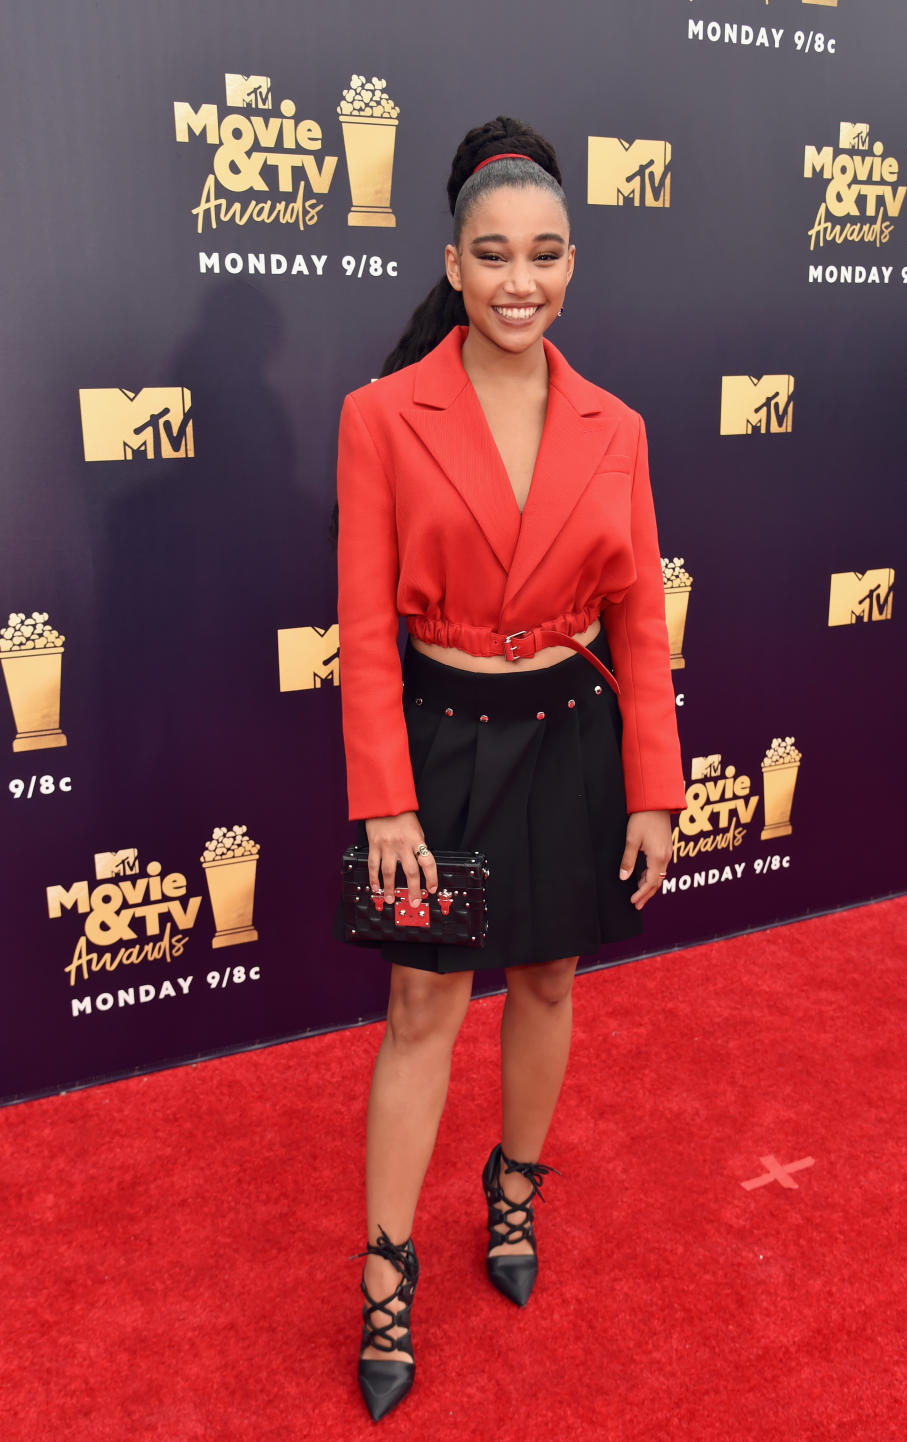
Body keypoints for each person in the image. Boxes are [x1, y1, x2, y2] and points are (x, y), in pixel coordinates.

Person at [335, 117, 686, 1422]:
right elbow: (365, 630)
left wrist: (656, 782)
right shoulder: (381, 416)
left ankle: (516, 1186)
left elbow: (641, 620)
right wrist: (385, 801)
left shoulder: (620, 426)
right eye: (493, 255)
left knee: (547, 976)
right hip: (434, 748)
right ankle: (386, 1268)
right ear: (455, 261)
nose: (519, 278)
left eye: (544, 253)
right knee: (423, 1009)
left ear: (572, 262)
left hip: (572, 742)